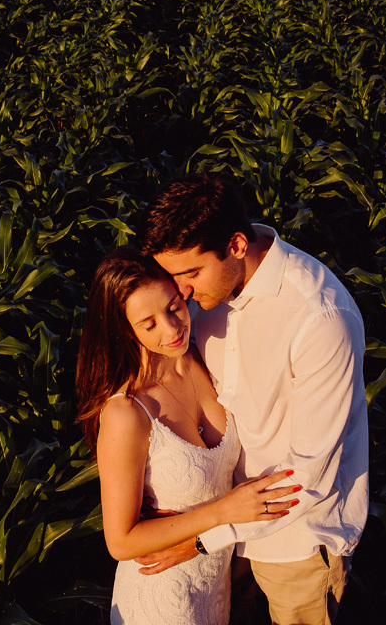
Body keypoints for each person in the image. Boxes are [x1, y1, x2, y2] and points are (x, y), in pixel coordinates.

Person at [136, 174, 369, 625]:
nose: (180, 292)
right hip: (218, 529)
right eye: (173, 275)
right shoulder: (203, 296)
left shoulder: (320, 318)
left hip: (296, 544)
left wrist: (203, 536)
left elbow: (310, 475)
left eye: (190, 274)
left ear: (237, 245)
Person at [75, 247, 304, 625]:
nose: (171, 328)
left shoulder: (204, 358)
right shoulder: (127, 413)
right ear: (124, 332)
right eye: (148, 325)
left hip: (214, 585)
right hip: (161, 595)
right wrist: (224, 511)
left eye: (173, 307)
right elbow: (120, 541)